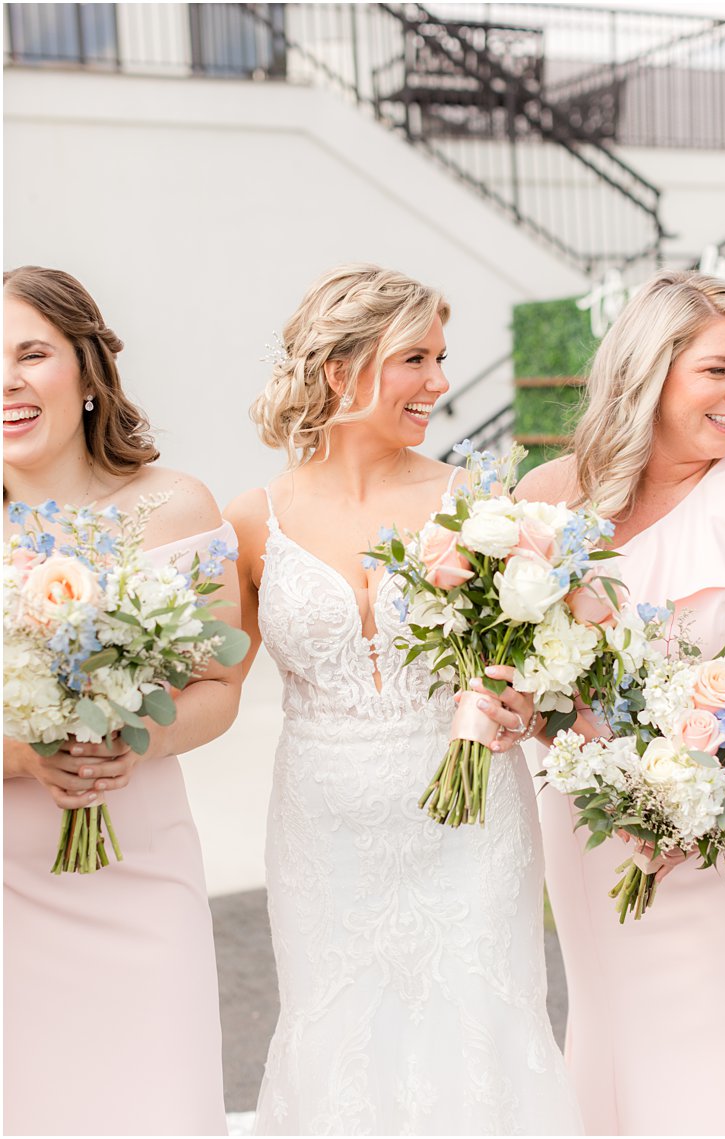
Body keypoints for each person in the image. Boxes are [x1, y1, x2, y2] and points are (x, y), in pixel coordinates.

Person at [225, 263, 578, 1134]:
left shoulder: (477, 505)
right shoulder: (251, 519)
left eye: (441, 358)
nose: (440, 383)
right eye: (415, 359)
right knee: (337, 1035)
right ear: (342, 368)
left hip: (467, 821)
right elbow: (209, 689)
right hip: (323, 829)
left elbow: (534, 674)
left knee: (480, 1024)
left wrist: (522, 705)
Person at [508, 269, 725, 1135]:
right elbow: (520, 664)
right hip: (579, 817)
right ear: (652, 369)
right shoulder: (550, 498)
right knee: (608, 1027)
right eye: (719, 370)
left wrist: (686, 805)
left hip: (710, 839)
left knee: (708, 1038)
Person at [3, 266, 237, 1134]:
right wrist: (24, 753)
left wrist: (138, 743)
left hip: (140, 873)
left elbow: (217, 687)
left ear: (87, 367)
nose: (9, 381)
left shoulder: (178, 508)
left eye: (32, 353)